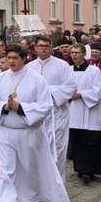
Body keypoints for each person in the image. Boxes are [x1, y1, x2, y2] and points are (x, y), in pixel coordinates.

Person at [0, 45, 70, 202]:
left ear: (25, 58)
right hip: (7, 132)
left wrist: (21, 108)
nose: (11, 61)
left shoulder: (37, 80)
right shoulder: (0, 79)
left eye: (15, 58)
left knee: (30, 171)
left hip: (29, 133)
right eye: (9, 58)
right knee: (6, 172)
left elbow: (46, 105)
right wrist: (5, 107)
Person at [27, 34, 76, 180]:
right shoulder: (29, 67)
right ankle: (39, 180)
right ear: (35, 48)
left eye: (47, 46)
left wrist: (47, 92)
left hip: (56, 113)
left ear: (51, 48)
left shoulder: (62, 65)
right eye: (41, 46)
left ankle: (56, 181)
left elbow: (70, 86)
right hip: (36, 114)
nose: (44, 48)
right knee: (36, 147)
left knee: (57, 147)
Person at [68, 44, 101, 184]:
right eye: (72, 52)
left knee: (91, 142)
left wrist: (82, 95)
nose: (74, 55)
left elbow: (99, 91)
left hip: (90, 111)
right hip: (73, 112)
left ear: (84, 54)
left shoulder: (94, 71)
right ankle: (80, 168)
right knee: (77, 141)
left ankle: (90, 170)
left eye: (77, 52)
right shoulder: (67, 70)